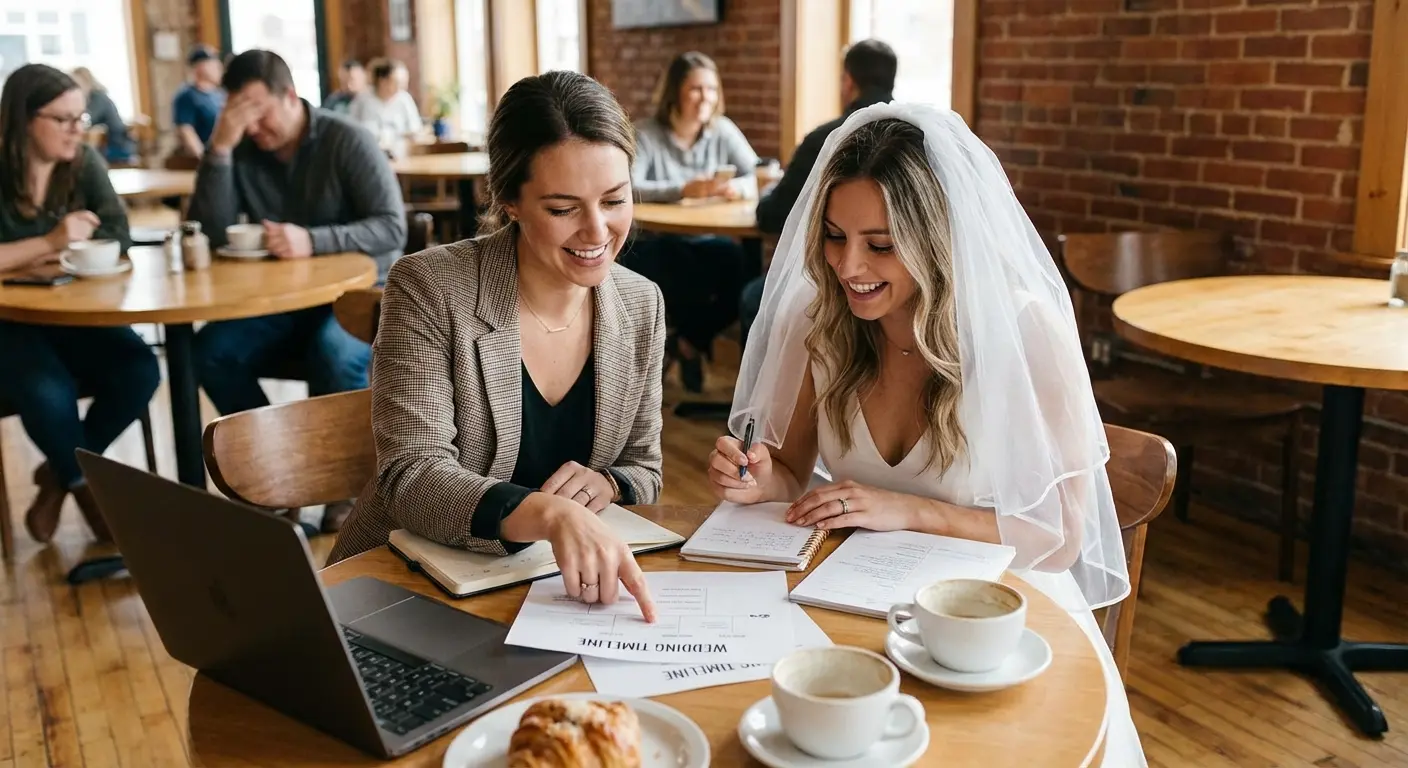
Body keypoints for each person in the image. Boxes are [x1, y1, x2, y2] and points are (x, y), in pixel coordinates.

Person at [708, 107, 1146, 766]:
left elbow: (1058, 536)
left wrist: (908, 510)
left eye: (880, 244)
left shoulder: (1024, 335)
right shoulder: (819, 317)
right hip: (853, 601)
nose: (848, 265)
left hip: (988, 623)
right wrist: (753, 478)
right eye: (833, 236)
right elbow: (790, 473)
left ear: (938, 238)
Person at [329, 71, 664, 620]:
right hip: (404, 586)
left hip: (556, 592)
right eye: (563, 209)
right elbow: (410, 476)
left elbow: (643, 468)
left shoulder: (641, 303)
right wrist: (550, 515)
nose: (597, 231)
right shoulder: (430, 288)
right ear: (509, 200)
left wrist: (608, 482)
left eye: (614, 200)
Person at [186, 49, 406, 532]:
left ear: (290, 96)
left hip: (357, 294)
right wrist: (220, 147)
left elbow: (392, 228)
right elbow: (210, 230)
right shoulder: (242, 150)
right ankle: (278, 463)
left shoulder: (346, 139)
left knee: (333, 353)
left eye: (258, 110)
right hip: (282, 301)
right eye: (239, 112)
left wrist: (314, 240)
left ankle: (342, 488)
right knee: (211, 351)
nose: (253, 124)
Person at [0, 64, 159, 544]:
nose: (78, 129)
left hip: (76, 310)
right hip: (9, 323)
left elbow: (118, 234)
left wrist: (37, 258)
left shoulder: (83, 162)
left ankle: (57, 477)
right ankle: (90, 495)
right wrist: (51, 241)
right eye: (63, 119)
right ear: (25, 119)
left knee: (141, 369)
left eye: (80, 117)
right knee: (48, 390)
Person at [741, 39, 896, 349]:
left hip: (830, 278)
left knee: (753, 299)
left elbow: (771, 216)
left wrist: (769, 189)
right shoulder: (914, 136)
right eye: (835, 235)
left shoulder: (827, 139)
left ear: (848, 81)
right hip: (890, 280)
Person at [621, 51, 758, 392]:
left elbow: (762, 173)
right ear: (675, 92)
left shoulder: (722, 131)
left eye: (711, 89)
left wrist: (734, 187)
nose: (705, 98)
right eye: (696, 88)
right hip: (655, 241)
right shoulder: (647, 134)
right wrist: (684, 189)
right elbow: (629, 186)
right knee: (682, 270)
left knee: (746, 272)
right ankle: (682, 343)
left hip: (707, 240)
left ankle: (687, 341)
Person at [70, 67, 135, 165]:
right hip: (107, 146)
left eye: (77, 84)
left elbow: (86, 121)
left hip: (116, 148)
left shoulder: (98, 98)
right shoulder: (92, 98)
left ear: (87, 82)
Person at [172, 44, 225, 158]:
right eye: (214, 64)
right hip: (209, 156)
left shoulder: (220, 94)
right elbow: (186, 130)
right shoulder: (188, 96)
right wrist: (204, 159)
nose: (219, 68)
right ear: (201, 67)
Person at [349, 58, 422, 140]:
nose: (403, 87)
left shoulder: (405, 99)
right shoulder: (362, 100)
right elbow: (353, 129)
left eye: (404, 83)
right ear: (382, 81)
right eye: (397, 82)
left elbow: (415, 128)